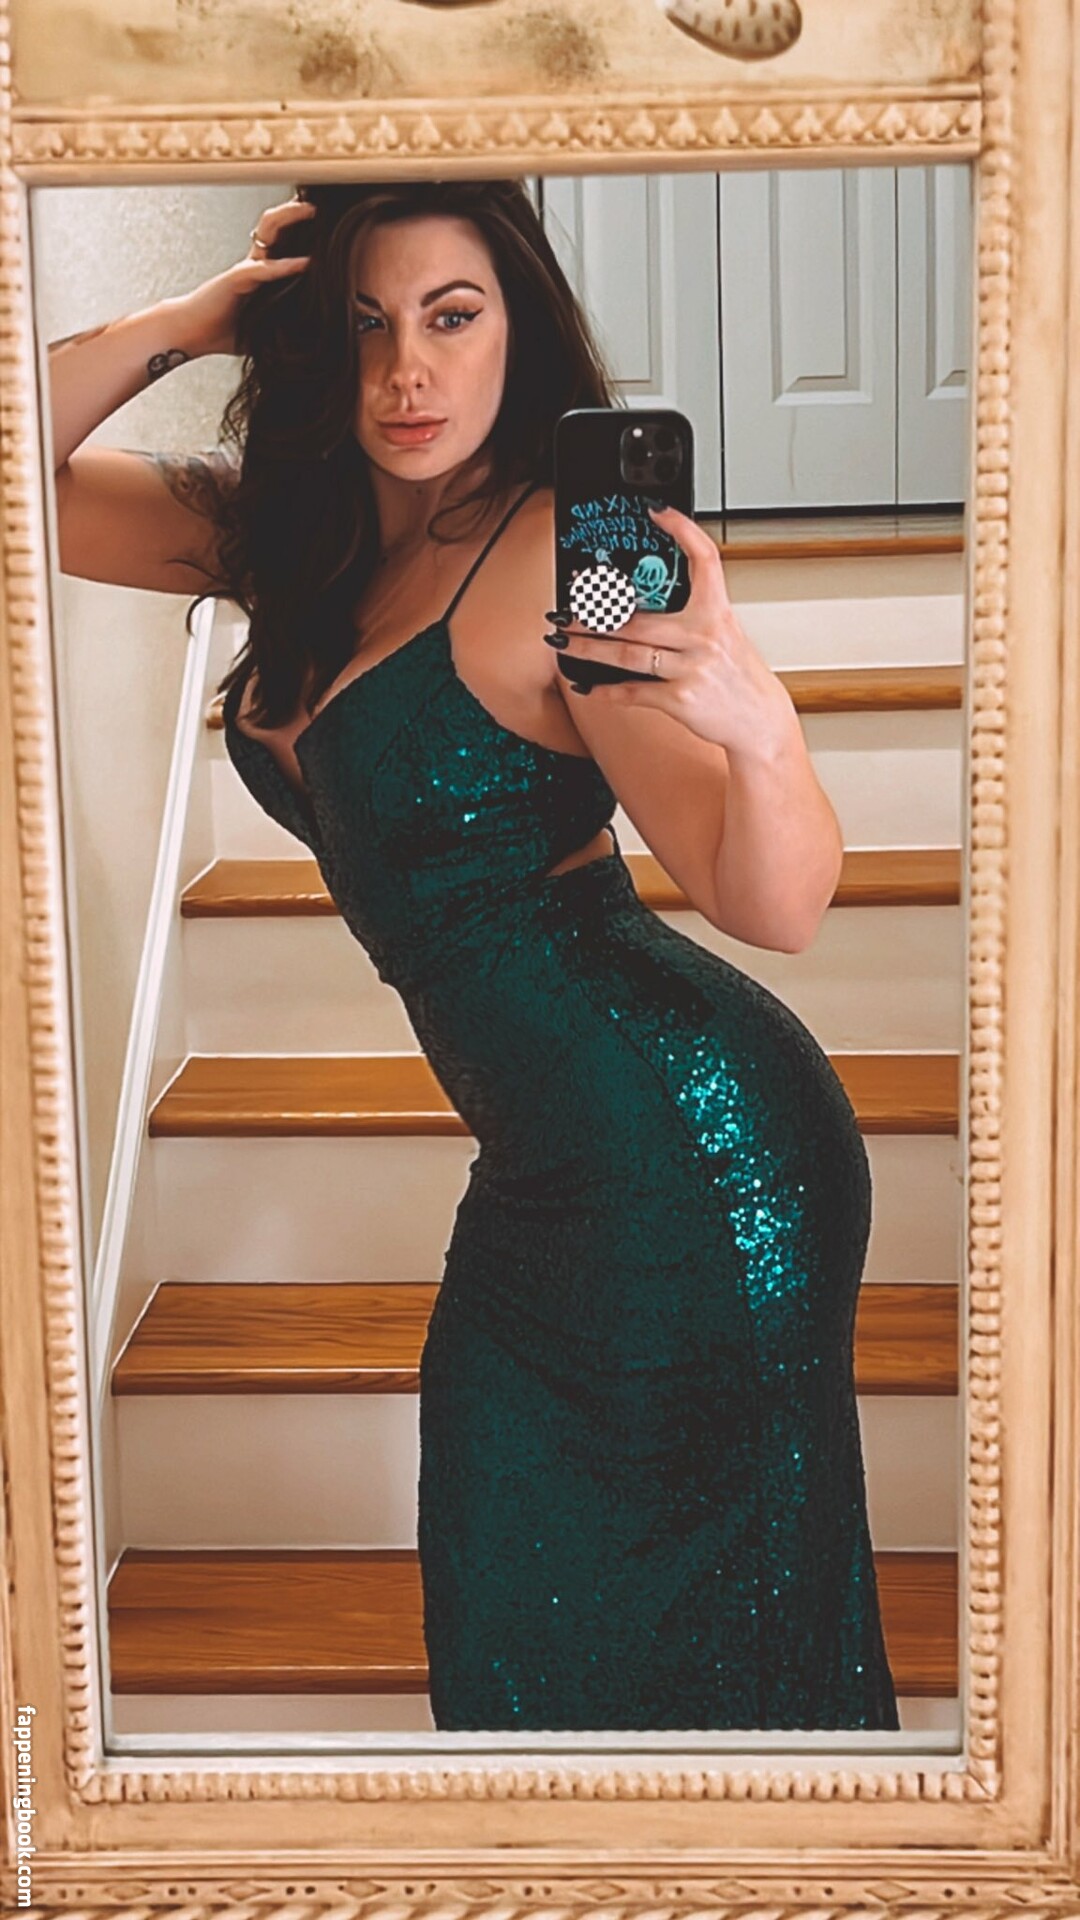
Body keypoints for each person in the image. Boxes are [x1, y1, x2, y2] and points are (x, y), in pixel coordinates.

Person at [50, 177, 900, 1733]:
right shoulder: (283, 540)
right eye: (365, 324)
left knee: (722, 1644)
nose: (406, 373)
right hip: (538, 1179)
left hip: (701, 1156)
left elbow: (764, 898)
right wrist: (197, 318)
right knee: (510, 1605)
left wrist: (761, 731)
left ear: (521, 325)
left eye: (452, 317)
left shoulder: (570, 550)